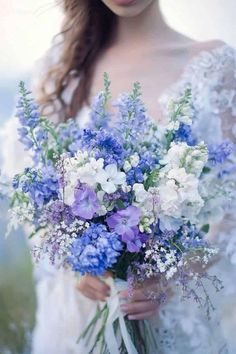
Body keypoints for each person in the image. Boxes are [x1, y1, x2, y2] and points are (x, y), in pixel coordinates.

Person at [2, 0, 236, 353]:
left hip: (172, 320)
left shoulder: (213, 65)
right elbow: (35, 194)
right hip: (77, 321)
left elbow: (230, 207)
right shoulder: (62, 69)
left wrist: (174, 273)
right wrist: (75, 261)